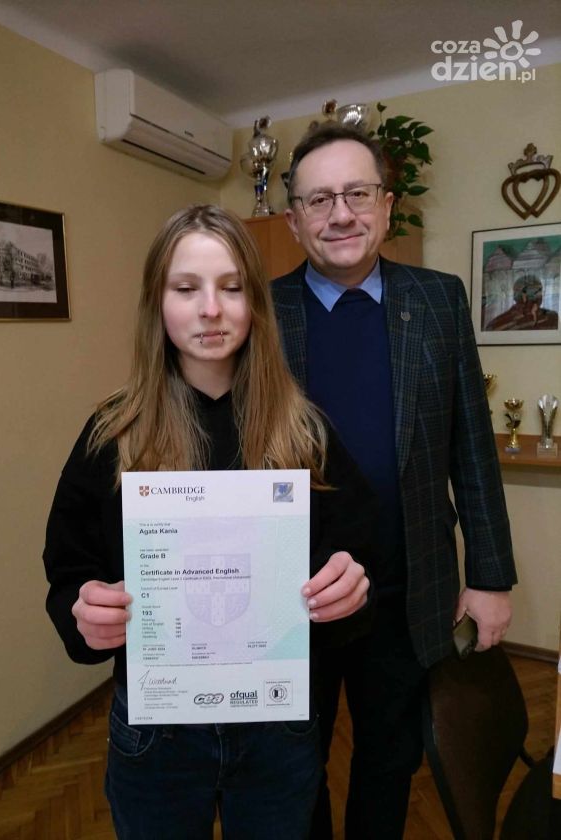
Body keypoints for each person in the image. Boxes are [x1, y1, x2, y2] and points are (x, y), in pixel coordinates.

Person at [43, 204, 380, 839]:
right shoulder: (113, 435)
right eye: (185, 288)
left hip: (277, 726)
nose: (210, 310)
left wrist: (349, 590)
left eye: (231, 287)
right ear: (157, 303)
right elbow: (68, 573)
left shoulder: (304, 433)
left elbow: (361, 561)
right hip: (157, 732)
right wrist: (83, 612)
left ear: (256, 304)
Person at [271, 122, 517, 839]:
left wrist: (490, 576)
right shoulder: (259, 310)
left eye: (356, 194)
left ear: (385, 205)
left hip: (409, 589)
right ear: (294, 220)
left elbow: (472, 444)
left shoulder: (438, 300)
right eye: (319, 200)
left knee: (390, 756)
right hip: (294, 595)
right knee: (293, 763)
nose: (340, 214)